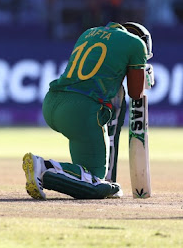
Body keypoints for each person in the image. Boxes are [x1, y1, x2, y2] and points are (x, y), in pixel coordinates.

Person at [23, 22, 153, 200]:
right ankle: (44, 167)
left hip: (52, 102)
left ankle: (46, 171)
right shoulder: (136, 44)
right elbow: (135, 93)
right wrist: (144, 74)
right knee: (96, 183)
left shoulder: (89, 32)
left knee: (83, 175)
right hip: (82, 110)